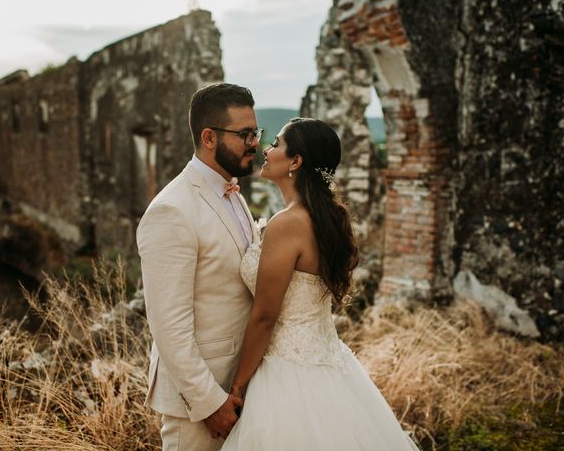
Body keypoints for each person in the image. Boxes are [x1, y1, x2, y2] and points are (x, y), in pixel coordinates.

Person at [221, 118, 420, 450]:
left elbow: (265, 317)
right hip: (327, 365)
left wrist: (236, 389)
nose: (267, 150)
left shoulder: (287, 223)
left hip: (287, 374)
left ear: (296, 161)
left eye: (277, 144)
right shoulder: (319, 218)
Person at [136, 83, 264, 451]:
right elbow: (168, 326)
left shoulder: (232, 193)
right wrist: (209, 402)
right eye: (244, 134)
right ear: (209, 137)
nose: (254, 142)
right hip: (200, 406)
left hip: (240, 390)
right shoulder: (171, 210)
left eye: (256, 132)